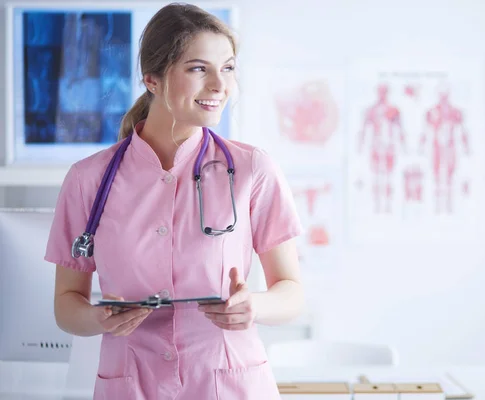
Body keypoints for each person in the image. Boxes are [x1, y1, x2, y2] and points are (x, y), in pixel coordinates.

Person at [44, 3, 304, 399]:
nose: (220, 85)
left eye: (228, 68)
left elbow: (291, 292)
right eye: (199, 68)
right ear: (152, 78)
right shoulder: (88, 180)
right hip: (132, 383)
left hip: (229, 384)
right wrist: (99, 318)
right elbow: (66, 307)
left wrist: (254, 306)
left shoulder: (253, 169)